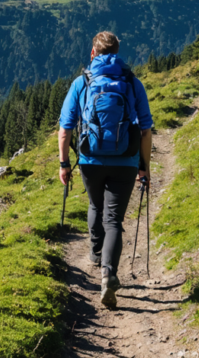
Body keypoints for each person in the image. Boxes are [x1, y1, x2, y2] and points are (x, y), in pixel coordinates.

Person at [58, 31, 153, 308]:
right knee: (114, 219)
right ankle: (108, 273)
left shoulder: (82, 83)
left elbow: (65, 130)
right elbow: (146, 130)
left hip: (90, 160)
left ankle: (96, 253)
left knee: (95, 205)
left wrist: (64, 164)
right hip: (126, 161)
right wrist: (144, 167)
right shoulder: (133, 83)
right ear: (118, 52)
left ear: (93, 53)